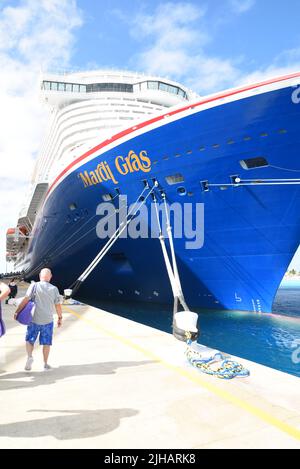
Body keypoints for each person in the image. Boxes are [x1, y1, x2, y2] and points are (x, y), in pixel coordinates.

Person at [14, 268, 62, 371]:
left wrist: (17, 311)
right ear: (50, 277)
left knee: (29, 340)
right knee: (46, 343)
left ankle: (30, 357)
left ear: (40, 276)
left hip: (34, 319)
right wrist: (60, 317)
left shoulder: (34, 285)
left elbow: (26, 300)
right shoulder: (54, 289)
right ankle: (45, 364)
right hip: (48, 321)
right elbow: (57, 305)